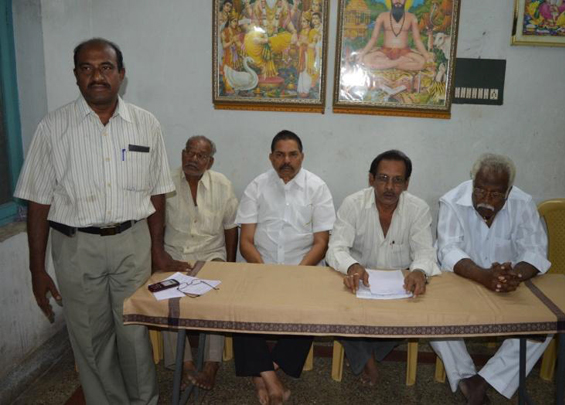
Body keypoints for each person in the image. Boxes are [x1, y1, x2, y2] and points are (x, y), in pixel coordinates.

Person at [14, 38, 175, 404]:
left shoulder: (146, 124)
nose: (97, 76)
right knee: (90, 337)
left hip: (131, 243)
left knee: (134, 331)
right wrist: (36, 268)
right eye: (87, 68)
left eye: (106, 67)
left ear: (121, 74)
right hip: (76, 246)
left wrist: (157, 249)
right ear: (75, 75)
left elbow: (157, 193)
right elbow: (38, 202)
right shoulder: (52, 127)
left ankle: (143, 401)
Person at [431, 153, 552, 405]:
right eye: (479, 191)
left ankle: (484, 380)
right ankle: (465, 375)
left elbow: (535, 251)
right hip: (462, 280)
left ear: (508, 191)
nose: (486, 199)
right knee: (434, 317)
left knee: (547, 323)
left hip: (508, 285)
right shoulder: (452, 201)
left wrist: (514, 276)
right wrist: (484, 276)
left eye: (495, 194)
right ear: (472, 183)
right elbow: (448, 250)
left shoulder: (523, 203)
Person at [234, 130, 335, 404]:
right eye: (280, 155)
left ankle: (262, 374)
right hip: (260, 266)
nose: (286, 160)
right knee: (240, 308)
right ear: (271, 158)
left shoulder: (317, 188)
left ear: (302, 157)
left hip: (303, 269)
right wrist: (265, 271)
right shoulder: (256, 186)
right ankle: (272, 381)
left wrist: (296, 274)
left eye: (292, 154)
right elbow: (246, 241)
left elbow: (321, 243)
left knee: (311, 310)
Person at [326, 149, 440, 385]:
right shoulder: (353, 204)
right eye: (383, 178)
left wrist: (419, 271)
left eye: (397, 180)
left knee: (415, 314)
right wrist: (352, 266)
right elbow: (335, 248)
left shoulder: (418, 209)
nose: (390, 187)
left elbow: (425, 251)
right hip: (359, 282)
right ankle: (367, 358)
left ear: (406, 183)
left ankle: (363, 352)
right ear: (371, 179)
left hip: (399, 287)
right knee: (336, 309)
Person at [161, 135, 239, 390]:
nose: (193, 159)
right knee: (167, 299)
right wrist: (160, 258)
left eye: (201, 155)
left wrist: (228, 264)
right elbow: (154, 225)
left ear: (210, 161)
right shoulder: (165, 182)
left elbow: (230, 227)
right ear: (182, 154)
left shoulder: (222, 185)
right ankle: (184, 365)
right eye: (189, 152)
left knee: (214, 297)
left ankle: (211, 364)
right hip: (174, 255)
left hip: (211, 255)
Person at [357, 0, 433, 71]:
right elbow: (374, 38)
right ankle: (399, 63)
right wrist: (363, 53)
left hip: (405, 52)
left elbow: (417, 39)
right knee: (366, 60)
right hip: (385, 51)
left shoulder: (411, 17)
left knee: (422, 62)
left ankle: (388, 64)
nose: (398, 1)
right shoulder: (382, 16)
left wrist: (426, 55)